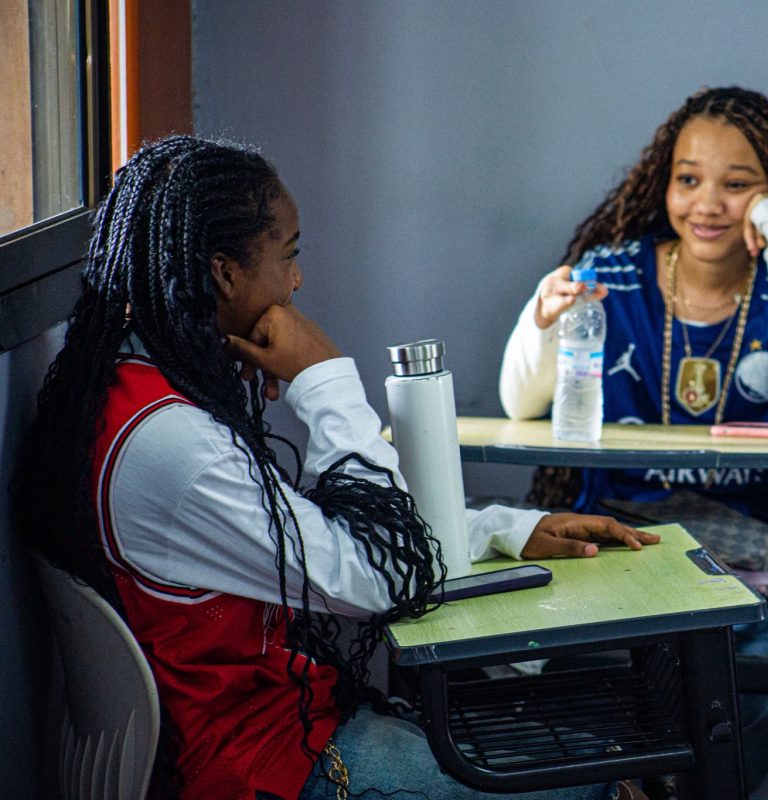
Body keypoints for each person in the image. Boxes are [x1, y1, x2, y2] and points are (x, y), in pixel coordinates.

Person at [14, 135, 660, 800]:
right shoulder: (174, 446)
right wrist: (324, 377)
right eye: (288, 255)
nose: (296, 281)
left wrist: (501, 531)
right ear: (225, 273)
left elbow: (307, 534)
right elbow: (385, 576)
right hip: (263, 766)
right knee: (604, 782)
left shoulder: (132, 389)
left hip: (276, 730)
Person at [498, 86, 768, 789]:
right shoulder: (612, 272)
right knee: (582, 708)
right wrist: (541, 318)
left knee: (740, 722)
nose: (708, 204)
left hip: (751, 567)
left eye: (739, 185)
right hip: (618, 547)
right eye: (688, 179)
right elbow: (521, 402)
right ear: (663, 183)